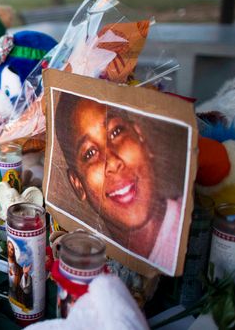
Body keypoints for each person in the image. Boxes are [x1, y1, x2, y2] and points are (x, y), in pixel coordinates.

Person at [54, 92, 181, 272]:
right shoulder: (92, 264)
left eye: (116, 132)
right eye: (90, 153)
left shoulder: (187, 238)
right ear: (77, 184)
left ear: (140, 137)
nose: (112, 162)